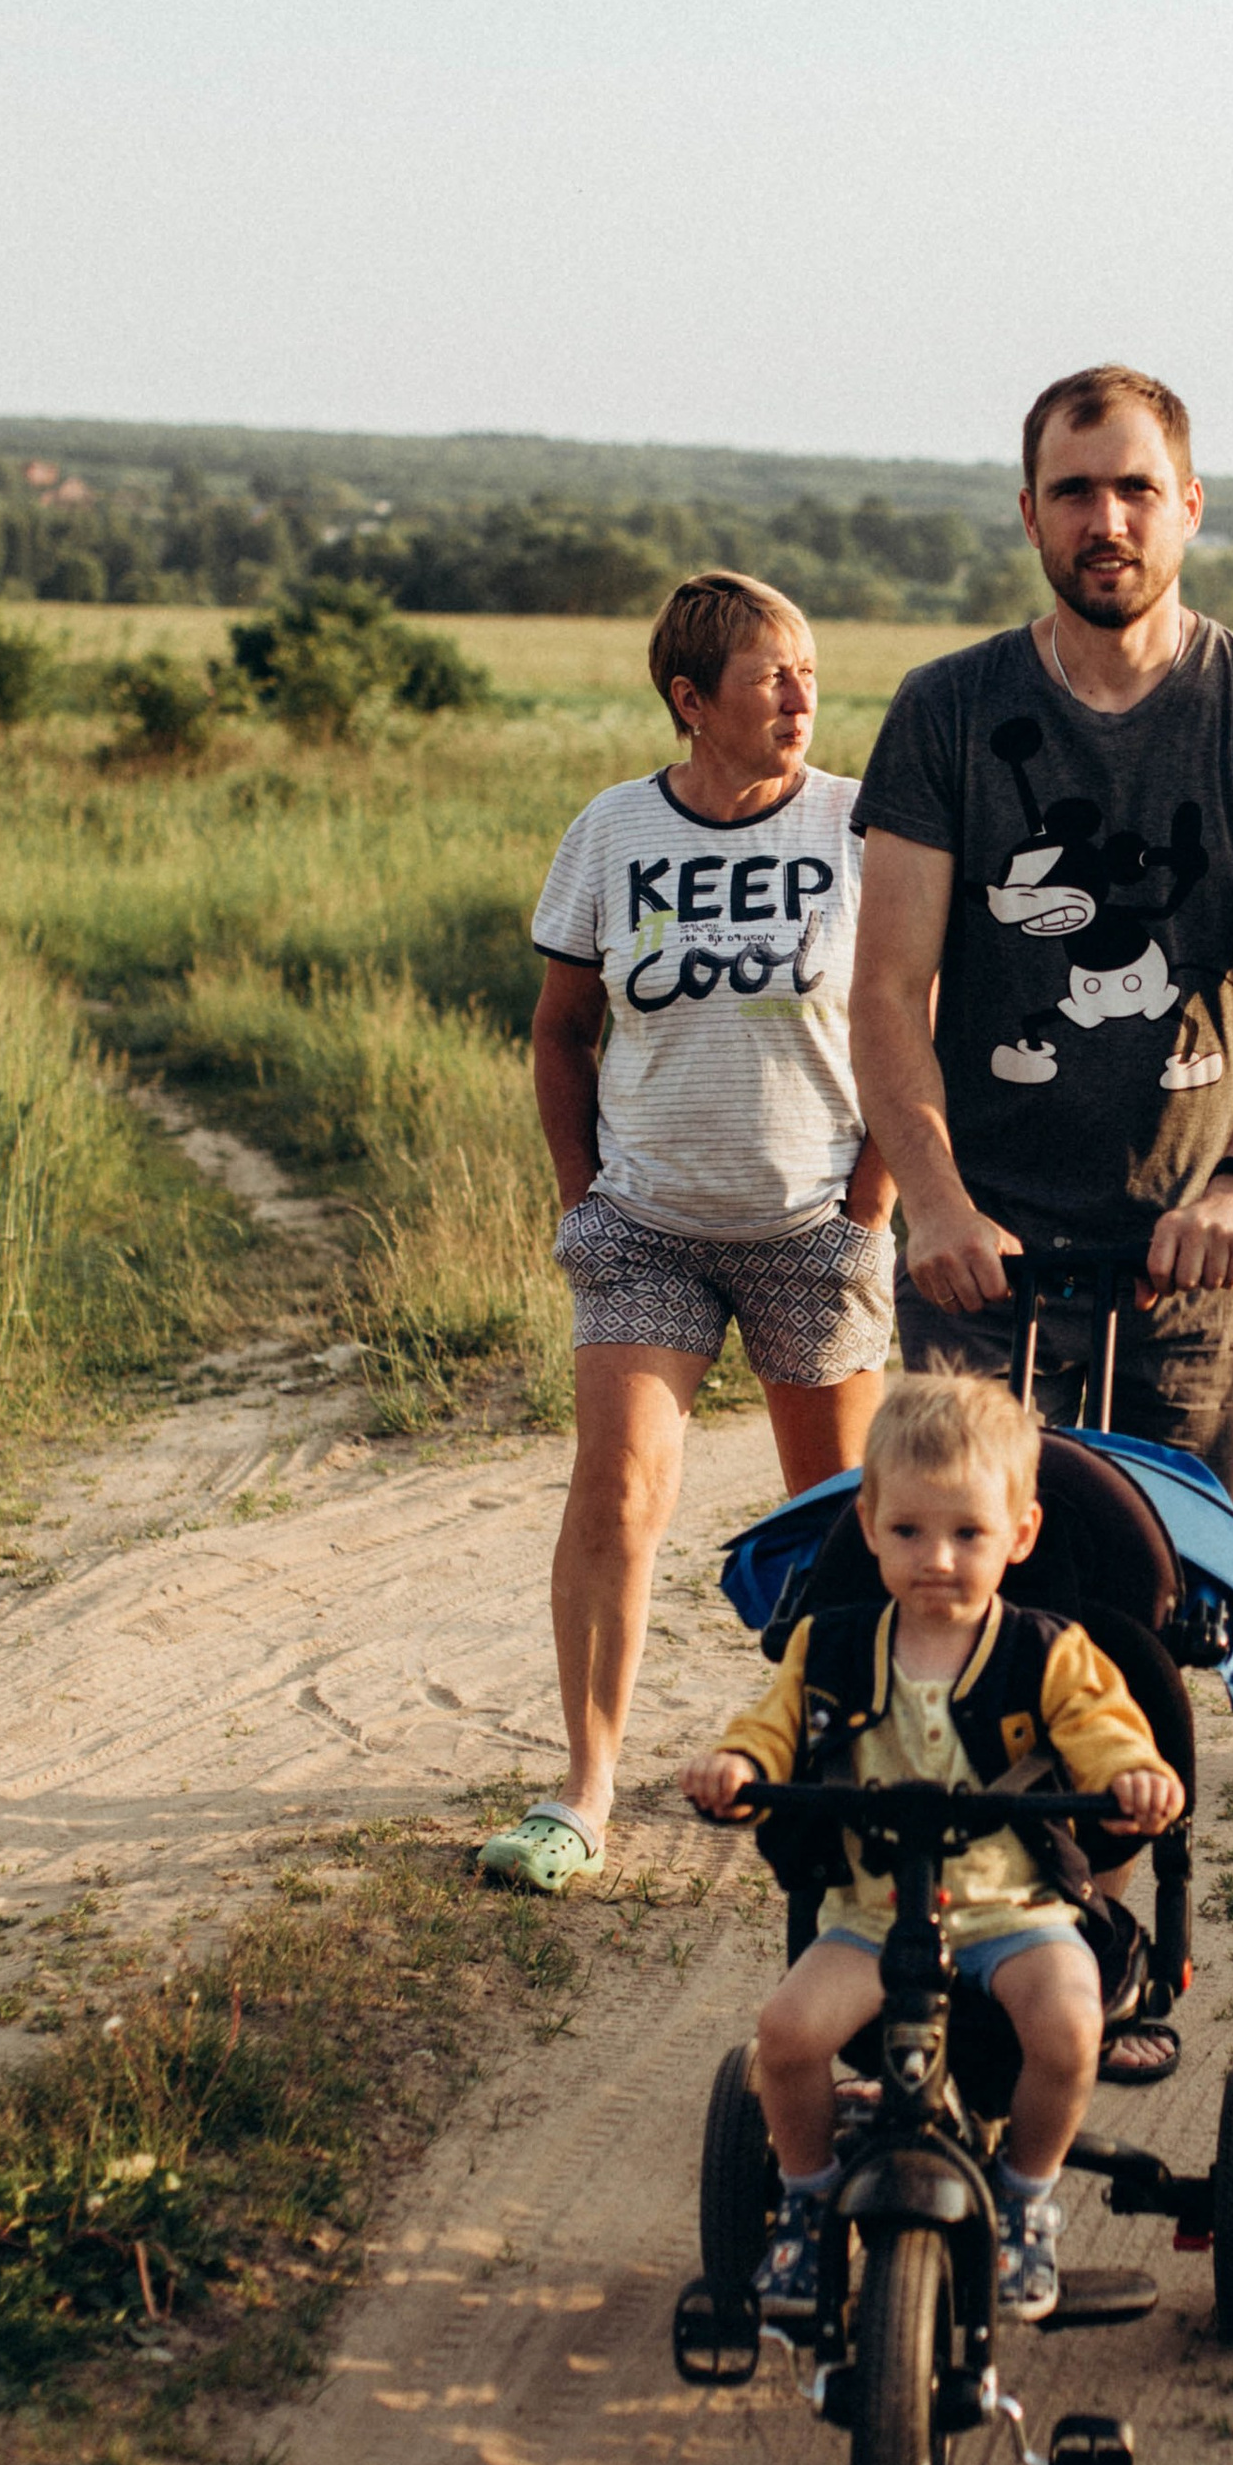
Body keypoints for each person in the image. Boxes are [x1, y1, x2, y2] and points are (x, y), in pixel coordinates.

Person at [847, 362, 1233, 1526]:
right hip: (978, 1253)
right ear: (1030, 514)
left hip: (1194, 1254)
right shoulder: (947, 710)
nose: (1107, 522)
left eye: (1135, 489)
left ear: (1189, 501)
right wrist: (931, 1204)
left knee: (1161, 1593)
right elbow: (885, 989)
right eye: (1073, 492)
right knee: (963, 1592)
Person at [476, 573, 897, 1894]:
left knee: (838, 1521)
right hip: (644, 1228)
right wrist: (578, 1192)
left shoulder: (859, 830)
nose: (802, 697)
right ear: (689, 699)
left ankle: (849, 1765)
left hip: (808, 1229)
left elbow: (905, 1019)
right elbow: (559, 1029)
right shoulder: (613, 831)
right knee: (615, 1491)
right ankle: (583, 1796)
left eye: (809, 672)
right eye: (773, 676)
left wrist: (870, 1200)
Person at [682, 1376, 1183, 2321]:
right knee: (786, 2037)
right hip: (874, 1918)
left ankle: (1026, 2198)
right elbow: (771, 1731)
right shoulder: (829, 1647)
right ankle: (808, 2198)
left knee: (1072, 2028)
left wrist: (1133, 1776)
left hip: (1017, 1911)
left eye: (967, 1534)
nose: (937, 1559)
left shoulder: (1049, 1652)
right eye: (908, 1531)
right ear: (867, 1524)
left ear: (1019, 1537)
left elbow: (1106, 1728)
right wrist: (737, 1769)